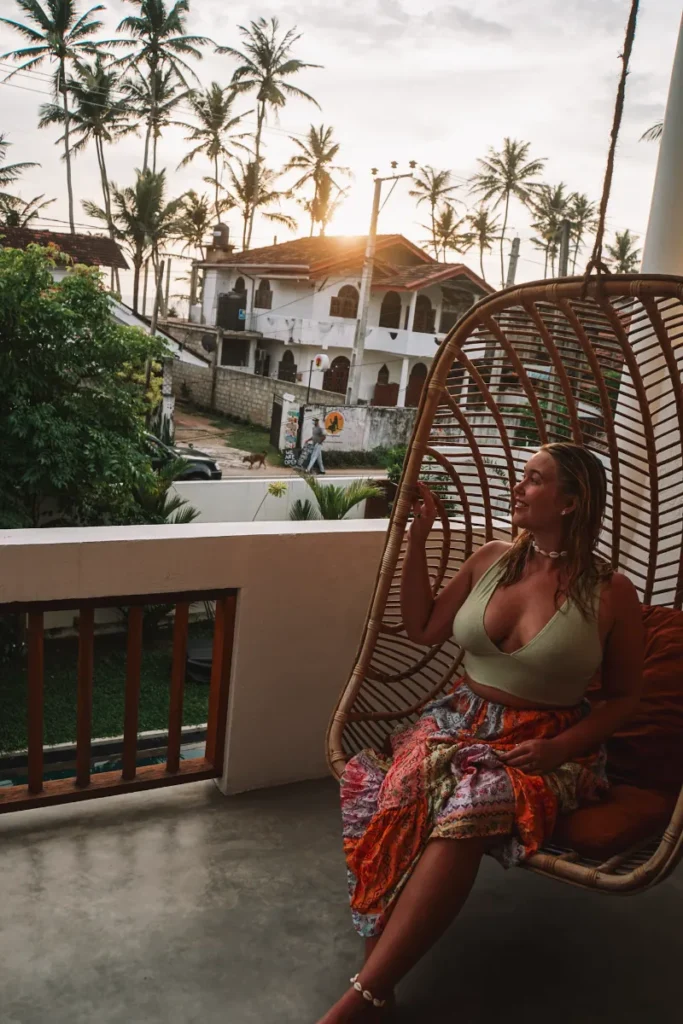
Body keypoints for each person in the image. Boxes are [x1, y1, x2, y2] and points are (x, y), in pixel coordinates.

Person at [319, 442, 644, 1022]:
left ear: (571, 502)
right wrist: (419, 539)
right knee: (399, 787)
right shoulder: (491, 558)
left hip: (545, 741)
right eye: (523, 477)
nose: (519, 488)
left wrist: (559, 749)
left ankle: (362, 997)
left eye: (535, 480)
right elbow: (422, 628)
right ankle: (379, 980)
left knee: (475, 800)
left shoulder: (610, 592)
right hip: (458, 720)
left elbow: (624, 699)